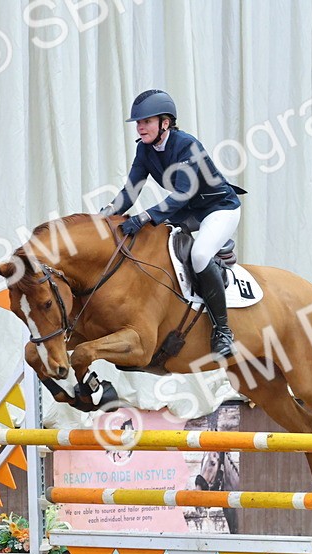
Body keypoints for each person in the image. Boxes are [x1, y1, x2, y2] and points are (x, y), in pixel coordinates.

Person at [99, 89, 244, 358]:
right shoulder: (144, 149)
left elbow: (182, 193)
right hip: (188, 210)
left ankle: (223, 332)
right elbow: (130, 191)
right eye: (138, 123)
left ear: (165, 123)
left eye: (147, 122)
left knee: (200, 255)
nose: (141, 127)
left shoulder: (186, 145)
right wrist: (104, 216)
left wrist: (144, 217)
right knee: (151, 239)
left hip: (218, 209)